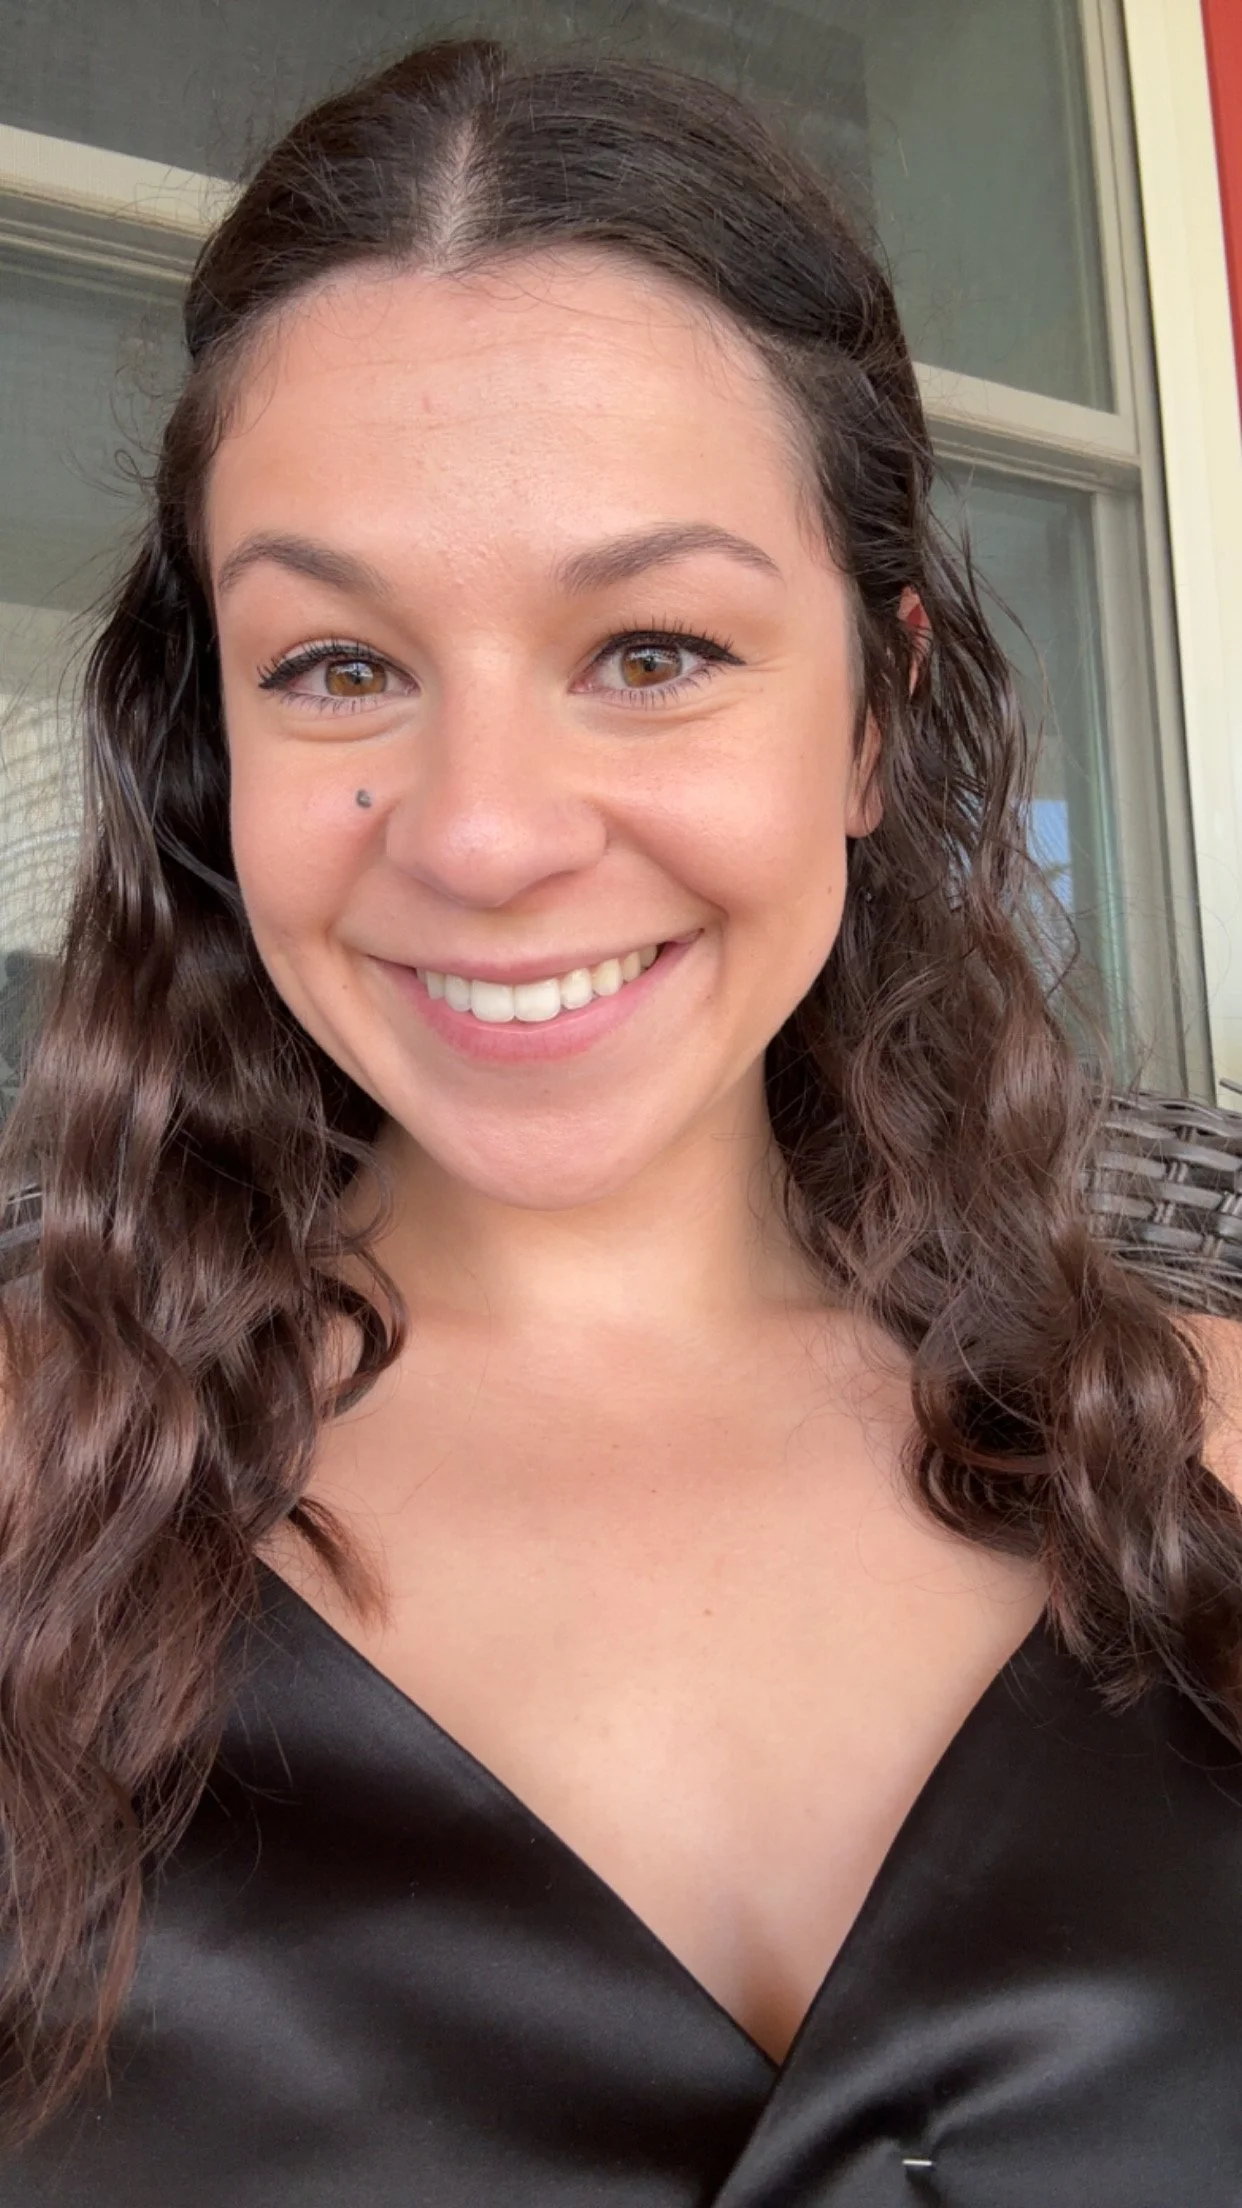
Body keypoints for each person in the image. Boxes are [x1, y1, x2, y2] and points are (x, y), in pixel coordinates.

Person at [1, 35, 1241, 2206]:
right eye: (338, 666)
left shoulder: (1216, 1464)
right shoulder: (36, 1502)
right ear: (214, 748)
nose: (483, 835)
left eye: (653, 649)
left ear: (878, 713)